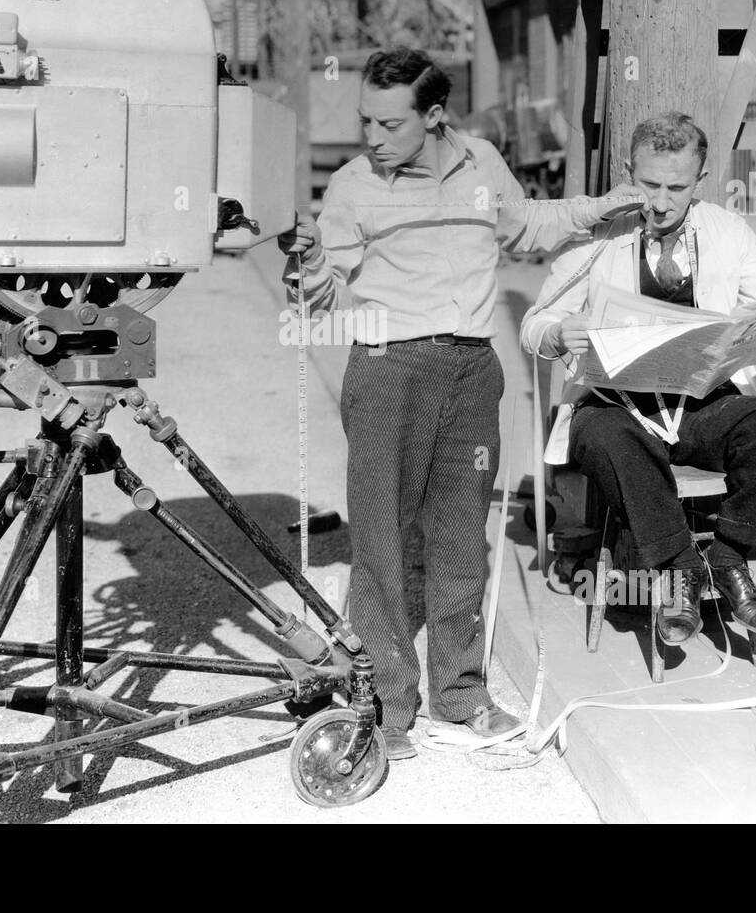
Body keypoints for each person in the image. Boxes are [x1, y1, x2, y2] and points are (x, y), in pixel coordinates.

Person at [277, 46, 648, 760]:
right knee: (382, 538)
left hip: (473, 371)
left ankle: (461, 692)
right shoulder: (353, 185)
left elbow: (526, 225)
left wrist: (602, 211)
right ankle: (384, 702)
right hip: (388, 367)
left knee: (460, 540)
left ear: (435, 115)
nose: (372, 137)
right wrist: (312, 262)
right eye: (366, 122)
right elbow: (322, 297)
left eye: (390, 124)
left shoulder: (481, 163)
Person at [519, 112, 756, 646]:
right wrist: (560, 334)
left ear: (700, 181)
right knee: (606, 439)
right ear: (630, 172)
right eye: (649, 184)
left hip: (699, 405)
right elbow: (532, 325)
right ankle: (678, 569)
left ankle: (727, 559)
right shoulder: (597, 237)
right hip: (613, 406)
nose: (660, 201)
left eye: (677, 187)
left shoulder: (726, 231)